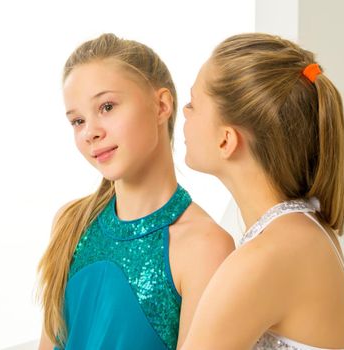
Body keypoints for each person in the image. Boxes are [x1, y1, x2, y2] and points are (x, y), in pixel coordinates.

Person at [36, 33, 234, 350]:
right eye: (77, 121)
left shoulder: (205, 246)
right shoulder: (71, 223)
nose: (90, 132)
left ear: (161, 105)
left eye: (107, 106)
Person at [180, 33, 344, 349]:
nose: (184, 114)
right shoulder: (305, 228)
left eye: (193, 104)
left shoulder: (264, 260)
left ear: (226, 140)